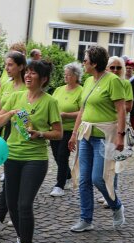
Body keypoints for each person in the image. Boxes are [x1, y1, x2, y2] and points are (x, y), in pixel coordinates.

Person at [0, 60, 62, 243]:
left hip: (35, 159)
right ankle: (21, 240)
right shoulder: (15, 96)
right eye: (28, 72)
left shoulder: (50, 102)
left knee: (24, 204)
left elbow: (57, 133)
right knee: (11, 204)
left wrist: (40, 133)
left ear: (44, 79)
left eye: (33, 73)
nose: (29, 76)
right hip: (12, 155)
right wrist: (10, 113)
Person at [68, 46, 126, 233]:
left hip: (104, 137)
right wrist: (74, 134)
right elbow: (83, 111)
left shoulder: (113, 81)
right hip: (86, 135)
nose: (83, 63)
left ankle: (116, 206)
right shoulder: (88, 82)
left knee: (98, 179)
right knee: (84, 179)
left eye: (85, 60)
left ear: (94, 63)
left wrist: (121, 136)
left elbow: (121, 110)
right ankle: (86, 219)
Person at [0, 51, 27, 235]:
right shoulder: (6, 85)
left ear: (21, 66)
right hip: (7, 132)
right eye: (6, 65)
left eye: (10, 65)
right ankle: (2, 217)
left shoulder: (28, 86)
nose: (7, 68)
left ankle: (9, 214)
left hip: (23, 134)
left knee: (16, 178)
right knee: (9, 176)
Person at [49, 62, 83, 197]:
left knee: (63, 155)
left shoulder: (81, 91)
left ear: (76, 76)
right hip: (56, 127)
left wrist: (66, 115)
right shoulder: (59, 89)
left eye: (69, 75)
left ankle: (59, 185)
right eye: (65, 74)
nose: (66, 77)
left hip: (70, 128)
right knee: (57, 155)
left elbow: (83, 112)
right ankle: (68, 175)